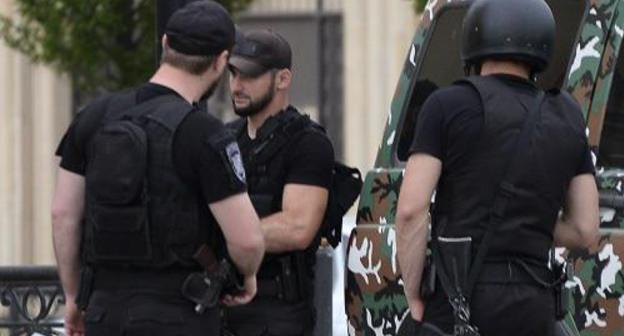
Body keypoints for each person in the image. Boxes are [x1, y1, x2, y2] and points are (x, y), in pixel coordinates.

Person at [51, 2, 265, 336]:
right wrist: (248, 276)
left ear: (165, 44)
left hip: (104, 312)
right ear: (221, 61)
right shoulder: (205, 134)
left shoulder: (93, 116)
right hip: (180, 312)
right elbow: (247, 242)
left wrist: (74, 297)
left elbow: (63, 214)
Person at [395, 0, 600, 335]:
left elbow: (410, 210)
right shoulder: (567, 116)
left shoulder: (446, 105)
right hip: (535, 304)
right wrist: (528, 223)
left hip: (460, 300)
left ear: (475, 39)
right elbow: (584, 228)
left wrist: (414, 294)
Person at [223, 29, 335, 336]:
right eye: (233, 74)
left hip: (277, 311)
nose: (237, 85)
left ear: (282, 79)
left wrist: (223, 237)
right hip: (221, 307)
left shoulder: (307, 143)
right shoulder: (223, 140)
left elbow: (298, 227)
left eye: (249, 76)